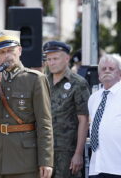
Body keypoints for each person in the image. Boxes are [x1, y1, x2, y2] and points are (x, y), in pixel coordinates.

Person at [0, 31, 54, 178]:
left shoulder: (35, 79)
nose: (7, 55)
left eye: (10, 51)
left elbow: (44, 123)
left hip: (24, 160)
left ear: (19, 50)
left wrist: (46, 160)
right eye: (1, 52)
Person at [43, 41, 89, 178]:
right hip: (45, 151)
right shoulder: (43, 81)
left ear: (67, 59)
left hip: (67, 152)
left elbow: (84, 120)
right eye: (48, 59)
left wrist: (78, 153)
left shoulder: (78, 83)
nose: (51, 63)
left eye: (55, 58)